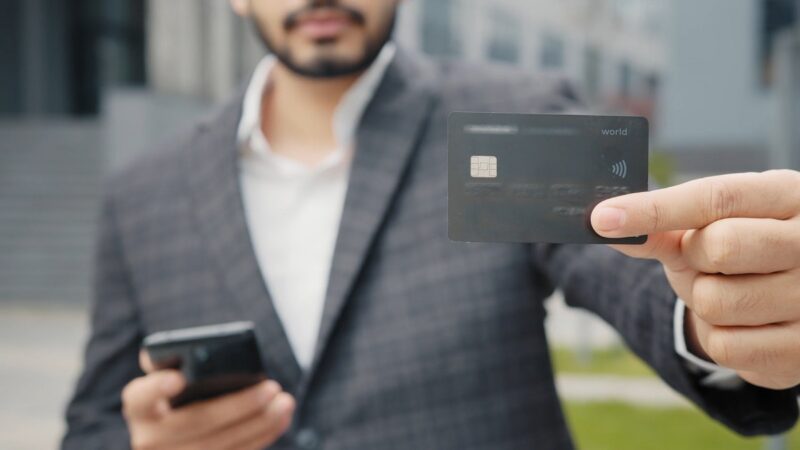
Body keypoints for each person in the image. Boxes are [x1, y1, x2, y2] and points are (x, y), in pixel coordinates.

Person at [62, 1, 800, 449]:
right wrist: (142, 441)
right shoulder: (141, 194)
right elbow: (89, 426)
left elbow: (637, 271)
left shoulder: (515, 116)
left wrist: (726, 312)